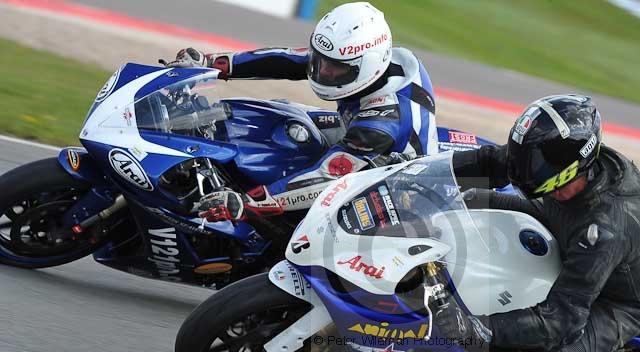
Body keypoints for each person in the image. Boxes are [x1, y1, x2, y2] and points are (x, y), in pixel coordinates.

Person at [439, 94, 640, 352]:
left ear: (578, 166)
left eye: (541, 168)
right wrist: (420, 174)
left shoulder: (605, 228)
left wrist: (476, 329)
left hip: (619, 303)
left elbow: (562, 318)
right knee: (469, 201)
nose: (530, 170)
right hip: (562, 226)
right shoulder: (553, 163)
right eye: (530, 160)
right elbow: (489, 162)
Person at [165, 2, 438, 222]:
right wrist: (212, 64)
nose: (323, 72)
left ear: (368, 66)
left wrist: (248, 203)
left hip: (395, 192)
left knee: (302, 222)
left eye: (335, 68)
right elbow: (288, 59)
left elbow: (328, 177)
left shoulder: (381, 123)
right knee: (278, 115)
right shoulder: (367, 60)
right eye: (321, 61)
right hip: (356, 136)